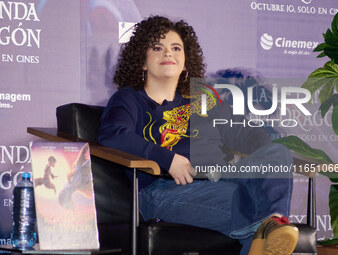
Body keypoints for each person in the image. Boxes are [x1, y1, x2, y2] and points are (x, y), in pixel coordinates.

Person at [98, 15, 298, 255]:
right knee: (246, 200)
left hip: (220, 178)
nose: (168, 53)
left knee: (278, 152)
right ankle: (271, 226)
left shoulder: (203, 100)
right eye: (157, 48)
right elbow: (114, 135)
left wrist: (263, 162)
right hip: (163, 190)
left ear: (185, 63)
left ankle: (270, 224)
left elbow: (245, 133)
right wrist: (167, 159)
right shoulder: (130, 99)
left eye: (175, 48)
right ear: (142, 61)